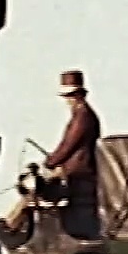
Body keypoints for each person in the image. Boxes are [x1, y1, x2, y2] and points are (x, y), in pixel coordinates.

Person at [41, 70, 102, 240]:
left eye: (71, 96)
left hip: (79, 171)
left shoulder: (83, 117)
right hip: (73, 170)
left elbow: (68, 145)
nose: (68, 100)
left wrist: (50, 162)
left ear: (78, 95)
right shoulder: (81, 115)